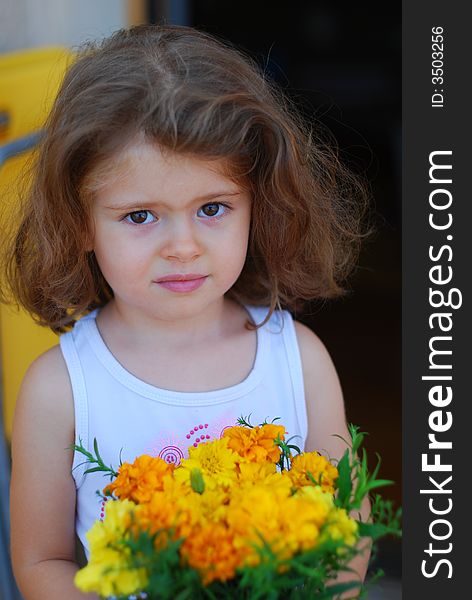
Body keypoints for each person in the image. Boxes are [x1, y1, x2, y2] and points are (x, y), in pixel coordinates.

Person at [2, 25, 371, 599]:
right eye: (141, 216)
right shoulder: (59, 390)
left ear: (260, 205)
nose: (183, 246)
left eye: (214, 207)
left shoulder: (297, 358)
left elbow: (348, 524)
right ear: (80, 223)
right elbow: (42, 561)